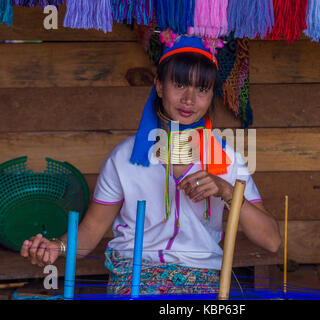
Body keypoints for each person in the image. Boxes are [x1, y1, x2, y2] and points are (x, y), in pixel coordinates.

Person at [20, 35, 281, 295]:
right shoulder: (124, 158)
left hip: (201, 279)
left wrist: (226, 191)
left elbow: (271, 240)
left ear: (212, 95)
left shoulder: (227, 159)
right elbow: (90, 231)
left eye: (202, 89)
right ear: (158, 86)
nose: (189, 99)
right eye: (179, 85)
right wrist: (57, 247)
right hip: (134, 275)